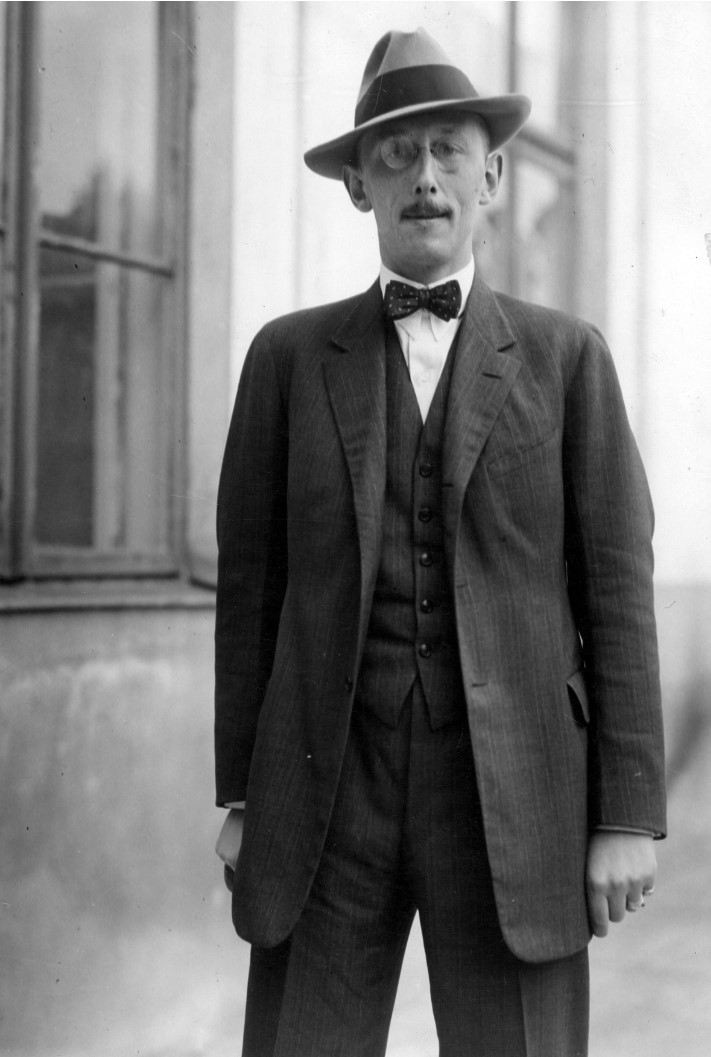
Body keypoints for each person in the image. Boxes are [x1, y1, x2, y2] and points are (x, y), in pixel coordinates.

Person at [214, 27, 666, 1057]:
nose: (424, 177)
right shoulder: (288, 359)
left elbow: (616, 590)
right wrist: (240, 792)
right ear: (358, 187)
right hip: (325, 795)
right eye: (396, 154)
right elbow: (250, 595)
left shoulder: (567, 359)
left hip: (514, 796)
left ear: (491, 176)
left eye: (448, 151)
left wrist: (626, 814)